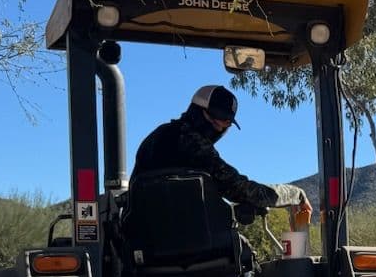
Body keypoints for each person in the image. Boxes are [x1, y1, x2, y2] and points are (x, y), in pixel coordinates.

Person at [132, 84, 311, 221]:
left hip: (142, 248)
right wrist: (296, 194)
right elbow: (245, 191)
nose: (217, 128)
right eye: (213, 118)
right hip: (192, 246)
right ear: (196, 111)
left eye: (225, 124)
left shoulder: (155, 137)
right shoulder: (196, 148)